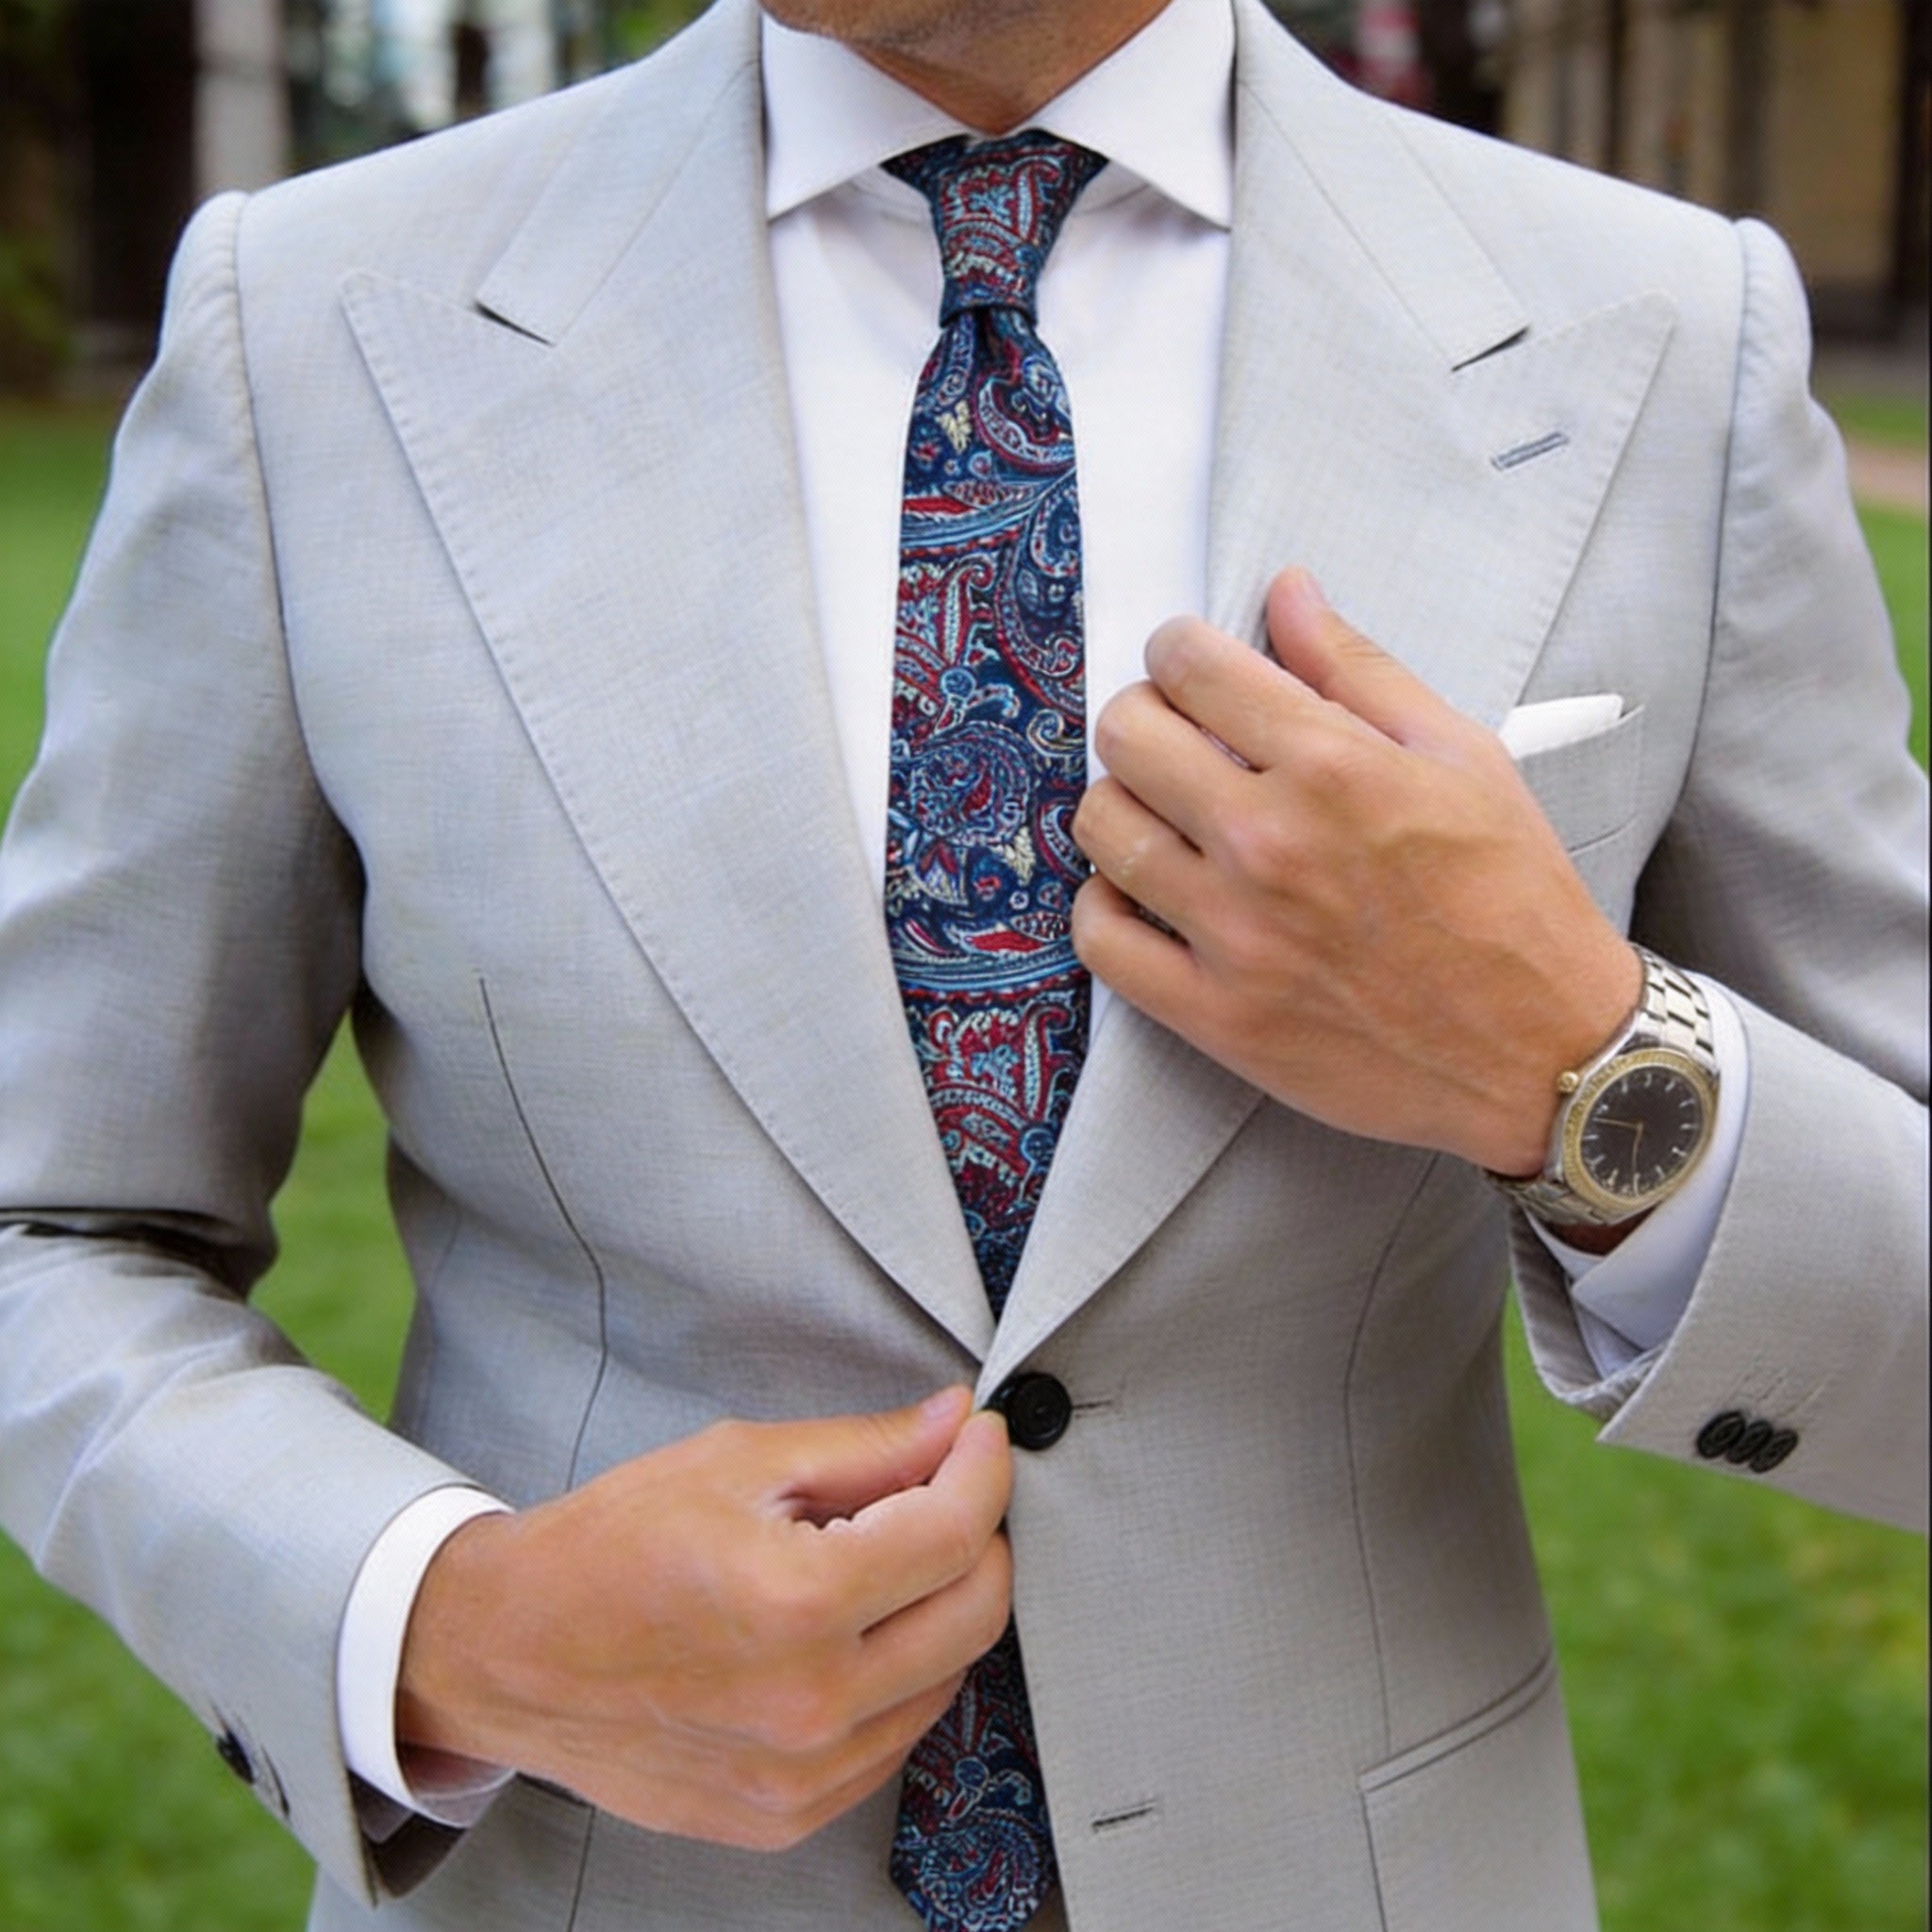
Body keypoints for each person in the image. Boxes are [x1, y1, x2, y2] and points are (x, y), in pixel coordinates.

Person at [0, 0, 1924, 1926]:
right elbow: (50, 1224)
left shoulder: (1666, 341)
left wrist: (1581, 1072)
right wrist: (447, 1622)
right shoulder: (315, 318)